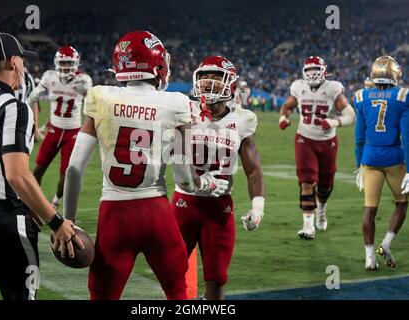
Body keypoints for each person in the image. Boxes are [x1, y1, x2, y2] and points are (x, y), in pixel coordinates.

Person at [62, 31, 227, 300]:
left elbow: (73, 168)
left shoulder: (101, 97)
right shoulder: (175, 103)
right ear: (157, 64)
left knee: (103, 295)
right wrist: (203, 183)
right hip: (156, 213)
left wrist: (67, 220)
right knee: (177, 293)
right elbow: (184, 179)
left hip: (114, 214)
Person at [0, 33, 81, 300]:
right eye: (23, 60)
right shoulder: (15, 107)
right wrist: (55, 220)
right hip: (4, 225)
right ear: (13, 62)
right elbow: (16, 174)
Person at [173, 56, 265, 300]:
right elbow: (172, 155)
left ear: (231, 84)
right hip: (185, 202)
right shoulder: (184, 110)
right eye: (204, 76)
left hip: (219, 206)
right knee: (172, 274)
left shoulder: (243, 120)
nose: (208, 82)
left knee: (216, 279)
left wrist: (258, 208)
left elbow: (253, 169)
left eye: (215, 77)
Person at [278, 56, 355, 239]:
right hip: (304, 138)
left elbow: (351, 115)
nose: (312, 74)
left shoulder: (333, 88)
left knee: (325, 185)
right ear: (304, 72)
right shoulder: (298, 87)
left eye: (316, 70)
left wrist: (335, 121)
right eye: (309, 70)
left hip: (328, 142)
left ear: (324, 71)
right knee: (306, 180)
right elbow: (287, 105)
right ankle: (307, 226)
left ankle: (321, 210)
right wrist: (283, 117)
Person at [354, 55, 409, 270]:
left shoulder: (361, 96)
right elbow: (407, 136)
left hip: (370, 158)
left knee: (369, 209)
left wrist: (359, 164)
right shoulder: (402, 96)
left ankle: (369, 258)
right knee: (402, 204)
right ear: (395, 75)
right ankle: (385, 244)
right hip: (394, 158)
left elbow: (359, 137)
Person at [27, 45, 92, 209]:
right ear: (57, 63)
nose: (65, 67)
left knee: (66, 173)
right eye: (62, 63)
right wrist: (34, 122)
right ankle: (32, 201)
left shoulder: (83, 80)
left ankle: (55, 202)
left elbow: (92, 105)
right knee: (38, 168)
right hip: (54, 130)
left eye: (68, 63)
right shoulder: (50, 77)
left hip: (73, 133)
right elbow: (33, 97)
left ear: (76, 63)